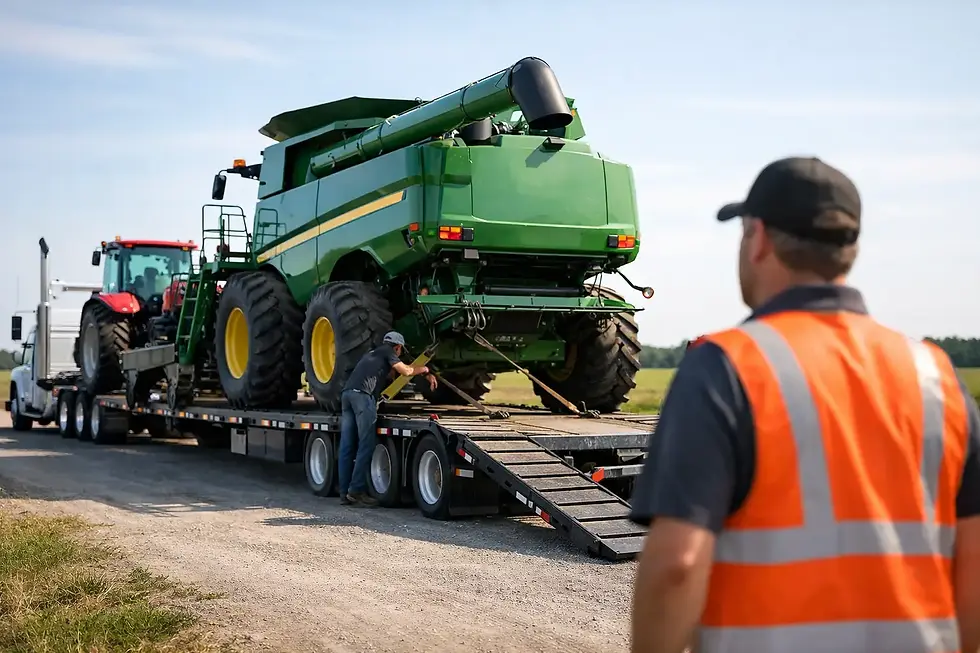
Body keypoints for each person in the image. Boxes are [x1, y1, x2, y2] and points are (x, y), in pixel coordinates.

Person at [628, 156, 980, 653]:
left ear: (760, 238)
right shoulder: (936, 374)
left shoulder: (726, 367)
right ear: (849, 249)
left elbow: (678, 566)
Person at [338, 331, 437, 506]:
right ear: (397, 347)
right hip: (362, 397)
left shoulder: (373, 354)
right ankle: (356, 491)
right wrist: (426, 369)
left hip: (347, 395)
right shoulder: (388, 352)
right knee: (366, 445)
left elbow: (391, 375)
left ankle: (344, 492)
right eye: (400, 351)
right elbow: (405, 371)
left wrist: (422, 375)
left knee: (346, 447)